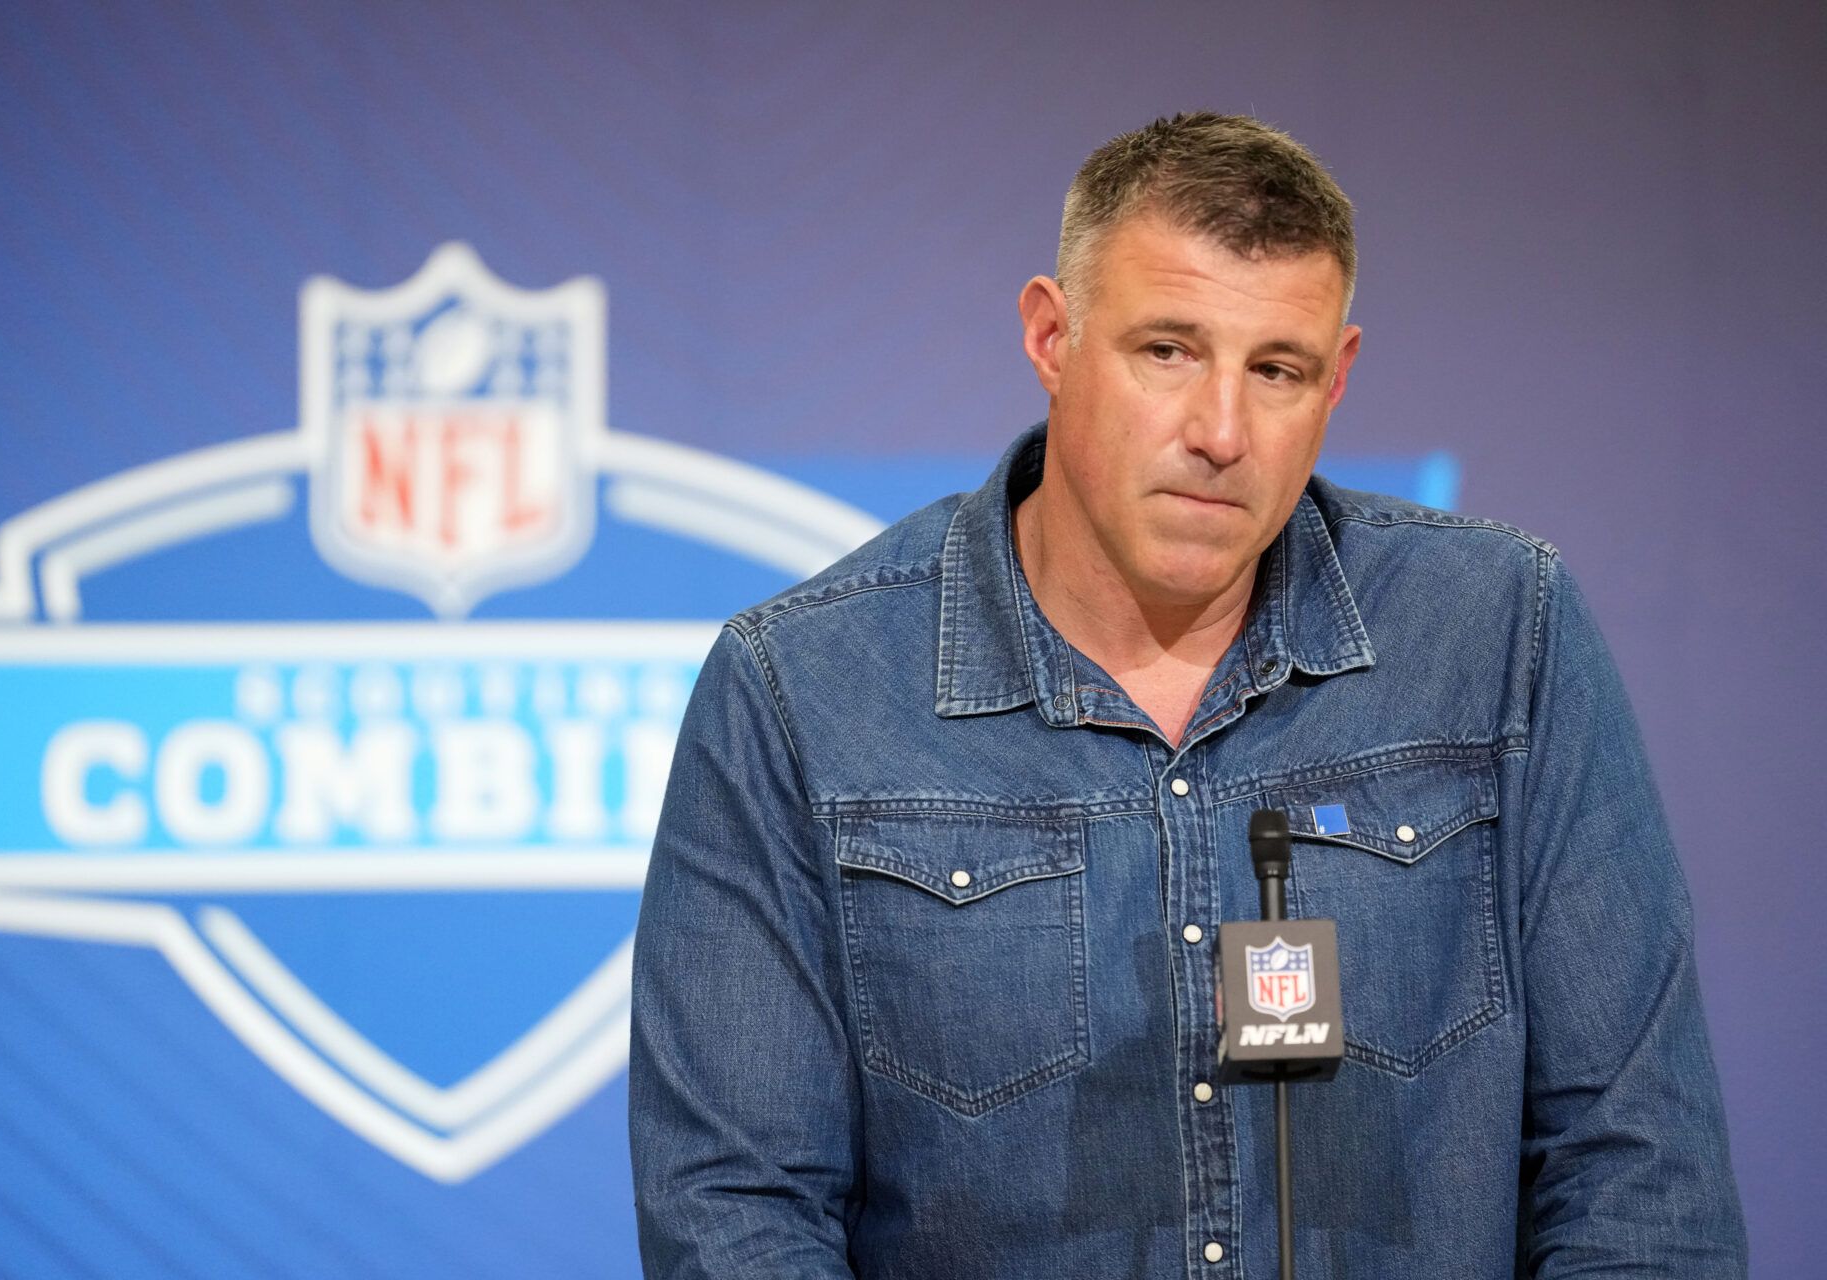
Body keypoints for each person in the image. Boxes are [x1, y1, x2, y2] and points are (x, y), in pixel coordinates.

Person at [629, 111, 1747, 1278]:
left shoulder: (1500, 629)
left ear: (1339, 378)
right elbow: (736, 1213)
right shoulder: (799, 689)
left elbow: (1639, 1169)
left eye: (1278, 370)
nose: (1222, 431)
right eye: (1168, 350)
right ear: (1052, 336)